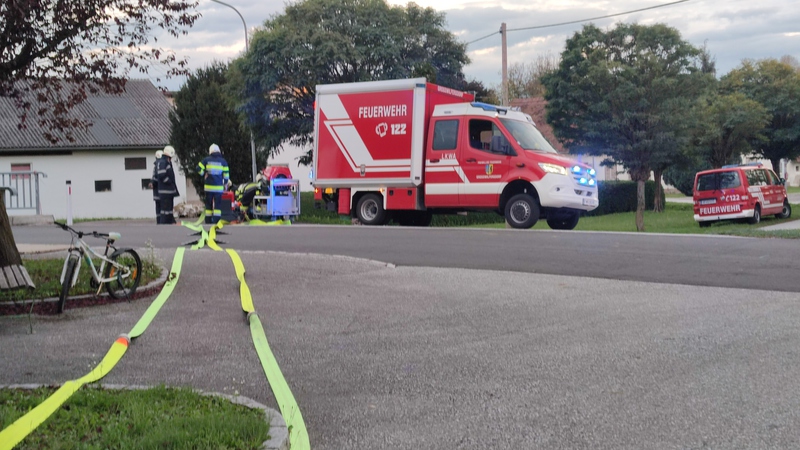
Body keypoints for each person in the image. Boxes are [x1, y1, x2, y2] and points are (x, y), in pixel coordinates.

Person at [196, 143, 230, 224]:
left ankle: (208, 221)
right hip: (218, 188)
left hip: (209, 188)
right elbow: (226, 175)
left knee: (208, 205)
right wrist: (224, 183)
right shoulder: (223, 161)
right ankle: (216, 221)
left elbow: (198, 168)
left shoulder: (206, 160)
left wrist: (203, 173)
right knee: (217, 206)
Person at [156, 145, 180, 224]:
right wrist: (170, 182)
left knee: (169, 211)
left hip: (168, 192)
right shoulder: (163, 162)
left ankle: (169, 223)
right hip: (166, 191)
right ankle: (164, 225)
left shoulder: (165, 162)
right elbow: (162, 175)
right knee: (165, 211)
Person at [149, 150, 163, 224]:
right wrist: (152, 182)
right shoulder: (159, 166)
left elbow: (155, 177)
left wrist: (152, 182)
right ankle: (161, 222)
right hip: (160, 191)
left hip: (157, 192)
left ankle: (159, 222)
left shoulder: (156, 166)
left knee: (158, 208)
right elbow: (156, 177)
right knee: (161, 208)